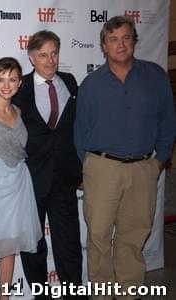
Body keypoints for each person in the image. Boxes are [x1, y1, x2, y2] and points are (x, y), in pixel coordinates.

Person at [74, 16, 175, 300]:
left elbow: (168, 121)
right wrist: (89, 167)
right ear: (103, 46)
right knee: (98, 238)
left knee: (133, 237)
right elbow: (80, 131)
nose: (120, 44)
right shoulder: (91, 84)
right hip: (101, 168)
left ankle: (128, 294)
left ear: (134, 41)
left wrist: (159, 161)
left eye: (126, 37)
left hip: (144, 168)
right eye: (113, 39)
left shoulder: (154, 75)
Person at [12, 30, 85, 299]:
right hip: (31, 180)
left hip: (65, 178)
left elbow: (77, 128)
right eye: (43, 54)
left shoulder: (70, 82)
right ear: (31, 58)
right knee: (33, 246)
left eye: (54, 53)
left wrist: (81, 168)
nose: (50, 59)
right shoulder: (20, 89)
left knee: (69, 244)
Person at [0, 57, 42, 300]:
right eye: (1, 79)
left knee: (8, 248)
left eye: (12, 79)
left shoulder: (18, 111)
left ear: (20, 83)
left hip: (18, 183)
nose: (6, 85)